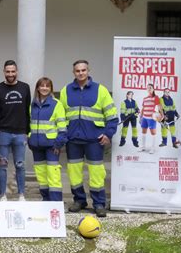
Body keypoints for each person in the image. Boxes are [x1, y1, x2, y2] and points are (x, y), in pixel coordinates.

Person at [59, 60, 118, 217]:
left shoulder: (101, 90)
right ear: (74, 72)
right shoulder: (66, 91)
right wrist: (63, 135)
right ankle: (79, 200)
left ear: (88, 71)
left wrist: (108, 134)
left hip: (94, 140)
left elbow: (112, 116)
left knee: (97, 173)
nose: (81, 73)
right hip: (73, 140)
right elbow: (61, 116)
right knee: (74, 173)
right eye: (77, 70)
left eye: (83, 70)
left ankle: (99, 204)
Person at [0, 60, 30, 201]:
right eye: (8, 71)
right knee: (2, 165)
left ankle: (21, 195)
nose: (11, 74)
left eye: (13, 71)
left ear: (17, 71)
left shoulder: (25, 88)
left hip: (20, 133)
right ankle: (2, 195)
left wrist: (28, 132)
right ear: (4, 72)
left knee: (20, 165)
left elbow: (27, 111)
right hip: (3, 133)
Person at [29, 77, 67, 201]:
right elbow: (29, 125)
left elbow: (62, 127)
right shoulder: (32, 105)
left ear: (51, 88)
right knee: (41, 175)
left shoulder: (57, 104)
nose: (44, 88)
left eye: (47, 86)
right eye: (42, 86)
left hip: (52, 146)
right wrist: (30, 139)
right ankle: (46, 199)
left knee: (53, 174)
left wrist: (58, 144)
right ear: (38, 88)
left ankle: (56, 202)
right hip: (36, 146)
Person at [139, 83, 163, 154]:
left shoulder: (156, 97)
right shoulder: (145, 98)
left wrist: (162, 115)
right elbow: (143, 108)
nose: (149, 89)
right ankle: (143, 147)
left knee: (153, 133)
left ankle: (153, 148)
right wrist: (140, 117)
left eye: (150, 88)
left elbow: (159, 107)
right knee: (143, 132)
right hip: (144, 118)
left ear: (153, 89)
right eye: (148, 88)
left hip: (152, 118)